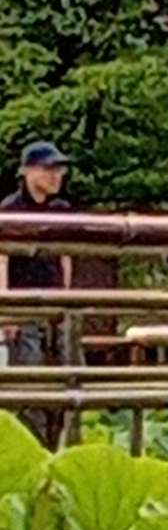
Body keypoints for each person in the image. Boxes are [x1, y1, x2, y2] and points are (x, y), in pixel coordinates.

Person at [0, 141, 75, 445]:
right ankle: (34, 450)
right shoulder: (10, 211)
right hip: (24, 311)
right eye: (49, 169)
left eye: (59, 169)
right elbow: (1, 260)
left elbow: (67, 256)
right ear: (28, 171)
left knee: (69, 376)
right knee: (29, 383)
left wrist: (68, 300)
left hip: (57, 310)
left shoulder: (63, 211)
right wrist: (6, 310)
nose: (56, 175)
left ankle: (64, 444)